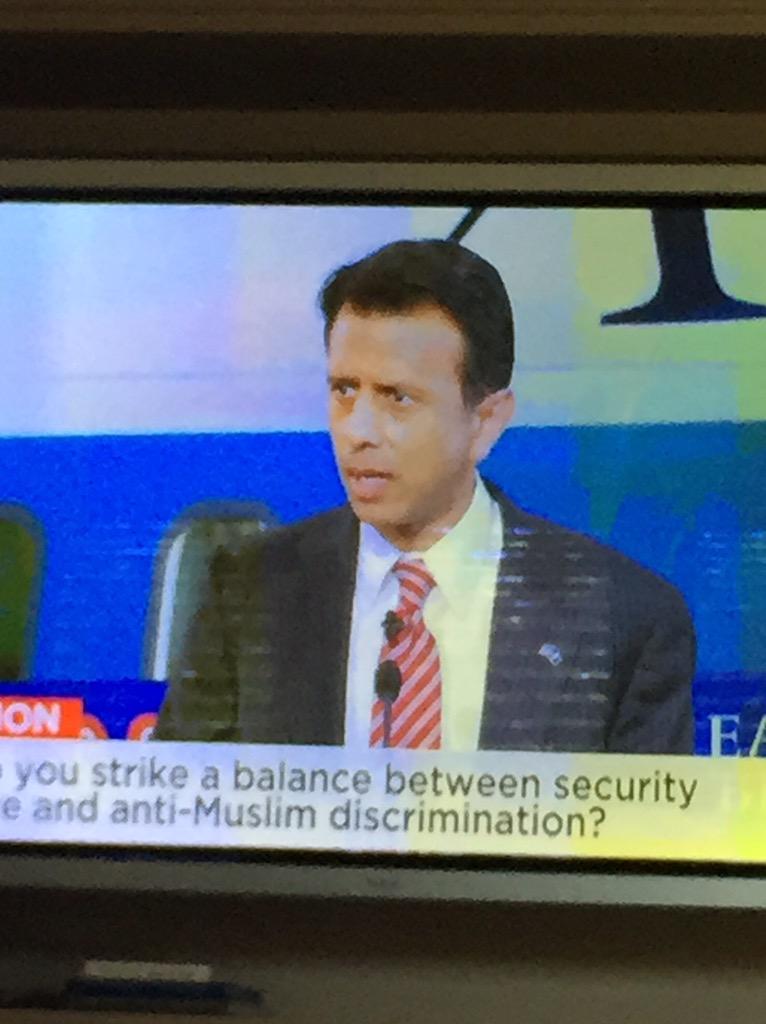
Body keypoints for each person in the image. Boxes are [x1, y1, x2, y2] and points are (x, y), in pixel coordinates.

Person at [154, 239, 695, 753]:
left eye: (398, 398)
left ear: (486, 421)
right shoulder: (249, 594)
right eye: (345, 390)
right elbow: (187, 808)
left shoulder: (623, 620)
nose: (358, 430)